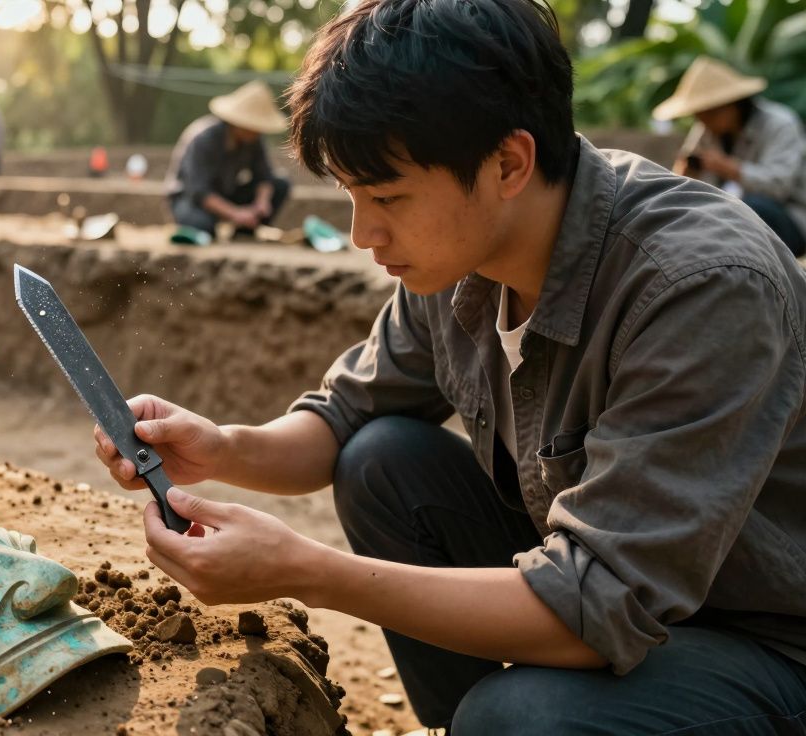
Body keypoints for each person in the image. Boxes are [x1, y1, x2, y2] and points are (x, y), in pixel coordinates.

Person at [94, 0, 806, 732]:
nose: (364, 234)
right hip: (609, 591)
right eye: (351, 196)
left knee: (517, 719)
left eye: (388, 197)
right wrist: (222, 449)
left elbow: (602, 599)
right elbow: (344, 417)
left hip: (765, 641)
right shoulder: (459, 257)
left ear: (507, 163)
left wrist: (306, 571)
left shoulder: (700, 286)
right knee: (381, 459)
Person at [655, 56, 806, 256]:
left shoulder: (780, 125)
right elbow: (686, 183)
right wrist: (686, 175)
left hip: (789, 218)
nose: (702, 120)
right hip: (735, 216)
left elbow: (778, 187)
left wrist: (730, 168)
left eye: (709, 113)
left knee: (745, 211)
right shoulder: (706, 129)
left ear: (731, 105)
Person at [165, 80, 291, 238]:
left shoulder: (254, 141)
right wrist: (235, 213)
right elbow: (199, 191)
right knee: (202, 226)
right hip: (190, 199)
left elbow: (265, 175)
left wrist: (262, 201)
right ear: (240, 123)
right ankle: (215, 224)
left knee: (280, 184)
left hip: (226, 192)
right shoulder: (203, 139)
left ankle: (244, 232)